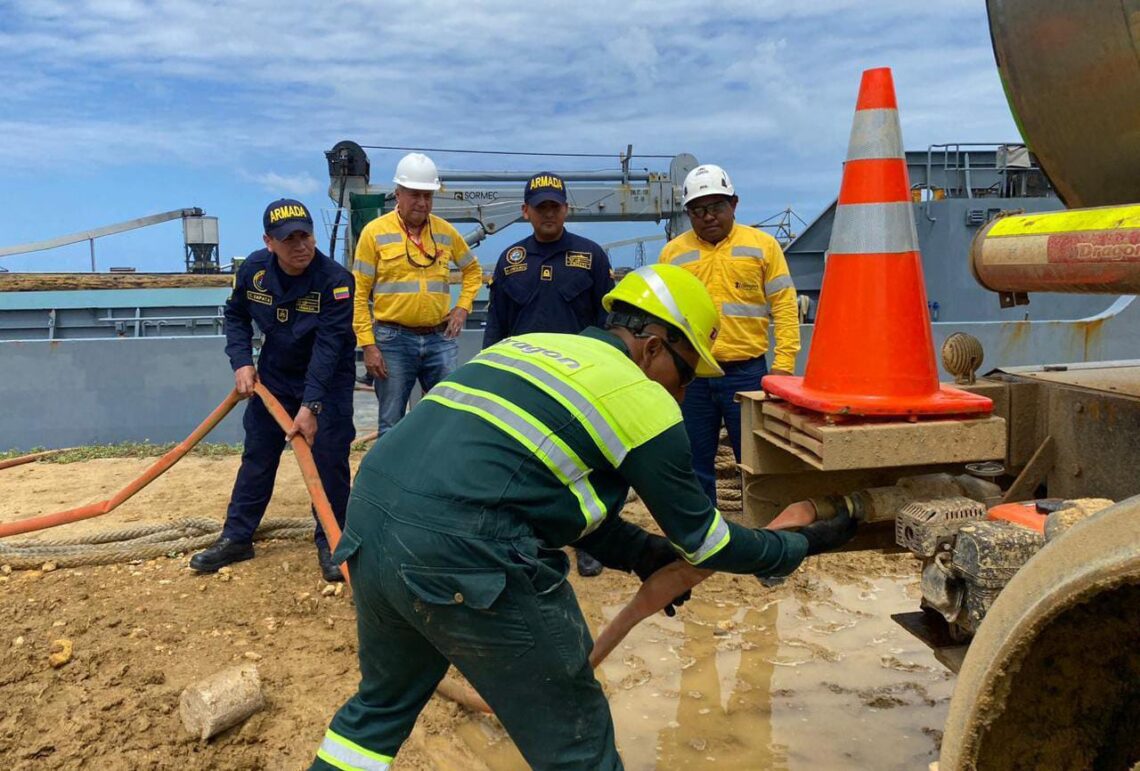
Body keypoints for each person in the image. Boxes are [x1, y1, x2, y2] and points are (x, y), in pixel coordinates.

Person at [309, 264, 856, 770]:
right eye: (685, 371)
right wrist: (801, 544)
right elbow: (708, 542)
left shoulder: (531, 348)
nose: (684, 390)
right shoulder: (640, 398)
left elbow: (526, 489)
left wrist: (642, 553)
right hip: (464, 554)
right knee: (578, 749)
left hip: (371, 527)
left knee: (377, 712)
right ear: (651, 346)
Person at [190, 199, 356, 582]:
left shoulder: (335, 280)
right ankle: (237, 537)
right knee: (258, 456)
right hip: (275, 378)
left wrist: (312, 405)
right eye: (289, 239)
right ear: (269, 242)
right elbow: (235, 315)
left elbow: (330, 347)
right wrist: (242, 362)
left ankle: (332, 540)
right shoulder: (253, 272)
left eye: (306, 236)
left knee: (329, 459)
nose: (301, 246)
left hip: (327, 381)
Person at [482, 171, 615, 578]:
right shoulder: (511, 260)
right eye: (540, 207)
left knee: (588, 463)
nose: (549, 214)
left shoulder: (592, 257)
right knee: (529, 461)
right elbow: (496, 324)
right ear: (526, 212)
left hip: (579, 381)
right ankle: (534, 540)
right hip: (526, 382)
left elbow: (606, 321)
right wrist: (490, 374)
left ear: (566, 209)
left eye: (555, 206)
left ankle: (591, 542)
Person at [659, 163, 801, 506]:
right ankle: (704, 536)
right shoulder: (673, 254)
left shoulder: (763, 247)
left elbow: (784, 305)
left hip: (747, 373)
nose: (708, 216)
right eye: (698, 210)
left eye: (716, 207)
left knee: (757, 461)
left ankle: (761, 532)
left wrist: (783, 366)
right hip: (692, 377)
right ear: (689, 213)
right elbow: (662, 318)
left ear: (734, 205)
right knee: (693, 462)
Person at [351, 152, 482, 436]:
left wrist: (462, 308)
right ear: (398, 193)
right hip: (392, 340)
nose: (422, 203)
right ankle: (390, 478)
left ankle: (438, 476)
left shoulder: (445, 232)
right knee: (391, 423)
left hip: (440, 338)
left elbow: (473, 271)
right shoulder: (374, 233)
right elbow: (359, 294)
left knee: (447, 416)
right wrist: (368, 346)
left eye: (428, 196)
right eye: (414, 195)